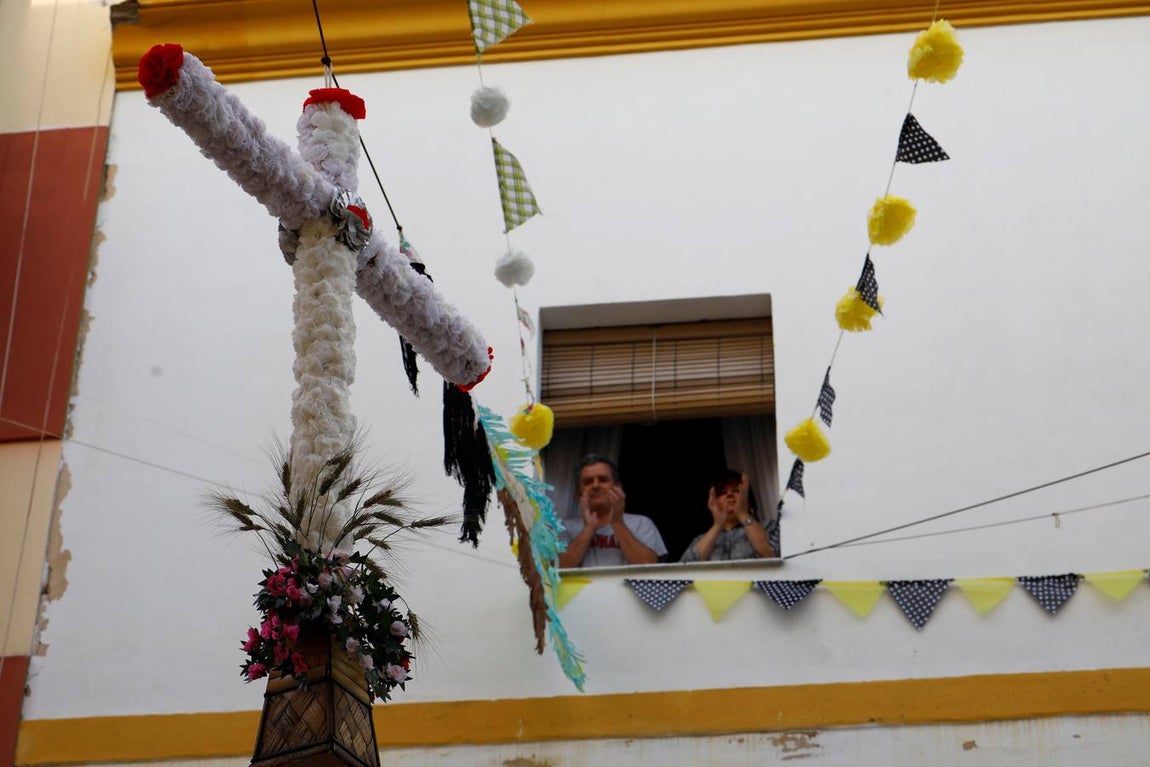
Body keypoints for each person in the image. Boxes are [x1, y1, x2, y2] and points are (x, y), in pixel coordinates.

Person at [558, 455, 667, 568]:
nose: (595, 485)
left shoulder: (641, 523)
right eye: (588, 482)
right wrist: (588, 529)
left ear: (617, 487)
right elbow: (556, 570)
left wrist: (617, 523)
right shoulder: (564, 527)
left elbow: (649, 567)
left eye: (603, 480)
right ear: (578, 492)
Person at [679, 470, 776, 562]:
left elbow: (772, 554)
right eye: (723, 493)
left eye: (736, 490)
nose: (729, 494)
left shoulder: (769, 526)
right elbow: (683, 569)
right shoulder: (701, 539)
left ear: (748, 500)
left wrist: (742, 513)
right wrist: (717, 525)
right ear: (714, 503)